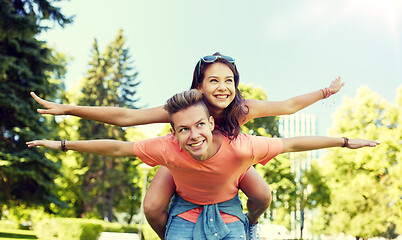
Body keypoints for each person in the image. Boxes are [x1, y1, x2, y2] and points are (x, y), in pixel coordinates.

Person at [30, 52, 345, 239]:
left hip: (227, 161)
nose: (222, 87)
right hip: (184, 159)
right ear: (199, 85)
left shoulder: (242, 109)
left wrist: (325, 93)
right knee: (152, 206)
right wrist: (69, 109)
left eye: (229, 81)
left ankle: (250, 227)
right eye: (213, 81)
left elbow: (288, 105)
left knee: (263, 194)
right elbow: (126, 117)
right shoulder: (182, 111)